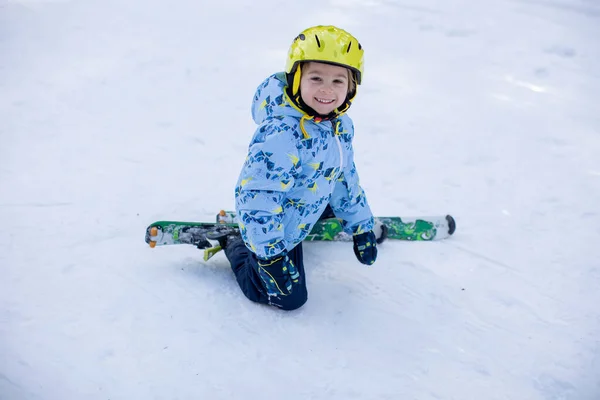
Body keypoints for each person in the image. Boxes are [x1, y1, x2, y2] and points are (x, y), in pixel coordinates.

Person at [213, 25, 378, 310]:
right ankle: (237, 242)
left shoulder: (340, 126)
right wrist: (270, 257)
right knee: (288, 298)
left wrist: (360, 225)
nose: (327, 90)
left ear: (351, 87)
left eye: (338, 81)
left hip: (307, 200)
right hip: (276, 221)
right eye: (316, 78)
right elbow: (258, 196)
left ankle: (325, 216)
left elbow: (342, 177)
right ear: (296, 78)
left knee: (332, 194)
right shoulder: (281, 134)